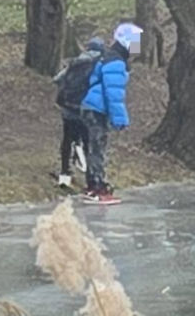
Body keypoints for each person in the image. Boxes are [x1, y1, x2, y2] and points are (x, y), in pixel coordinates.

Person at [80, 21, 143, 203]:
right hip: (96, 109)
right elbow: (113, 92)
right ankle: (96, 188)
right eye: (136, 42)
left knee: (95, 147)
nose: (138, 46)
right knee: (97, 148)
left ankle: (94, 185)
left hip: (92, 107)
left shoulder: (110, 57)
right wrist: (119, 118)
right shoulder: (115, 60)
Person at [53, 37, 106, 189]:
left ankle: (64, 174)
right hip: (85, 109)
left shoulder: (75, 62)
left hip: (67, 107)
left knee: (67, 140)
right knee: (88, 142)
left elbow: (57, 79)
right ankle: (91, 180)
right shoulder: (99, 65)